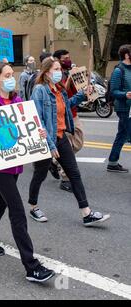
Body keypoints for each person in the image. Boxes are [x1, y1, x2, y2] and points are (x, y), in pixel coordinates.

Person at [0, 62, 55, 283]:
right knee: (17, 211)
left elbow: (24, 130)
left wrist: (36, 133)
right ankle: (32, 267)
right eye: (7, 75)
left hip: (15, 164)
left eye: (13, 74)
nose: (12, 78)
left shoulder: (18, 101)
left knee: (0, 202)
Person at [28, 57, 111, 226]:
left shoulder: (60, 89)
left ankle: (86, 213)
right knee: (40, 174)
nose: (60, 73)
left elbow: (68, 106)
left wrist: (82, 94)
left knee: (74, 174)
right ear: (46, 72)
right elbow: (37, 118)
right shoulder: (40, 90)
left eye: (60, 69)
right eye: (56, 69)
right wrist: (50, 146)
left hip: (61, 137)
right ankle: (33, 207)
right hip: (46, 140)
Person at [50, 49, 85, 192]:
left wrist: (85, 87)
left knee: (79, 143)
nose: (68, 60)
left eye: (69, 57)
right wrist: (69, 80)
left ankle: (53, 161)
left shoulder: (72, 72)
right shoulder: (55, 78)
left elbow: (78, 92)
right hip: (62, 117)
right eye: (65, 58)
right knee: (68, 148)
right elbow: (63, 100)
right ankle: (65, 179)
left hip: (74, 114)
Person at [107, 44, 131, 173]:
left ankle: (112, 162)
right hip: (124, 108)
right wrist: (125, 94)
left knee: (122, 135)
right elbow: (113, 91)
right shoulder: (118, 70)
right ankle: (112, 163)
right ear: (127, 55)